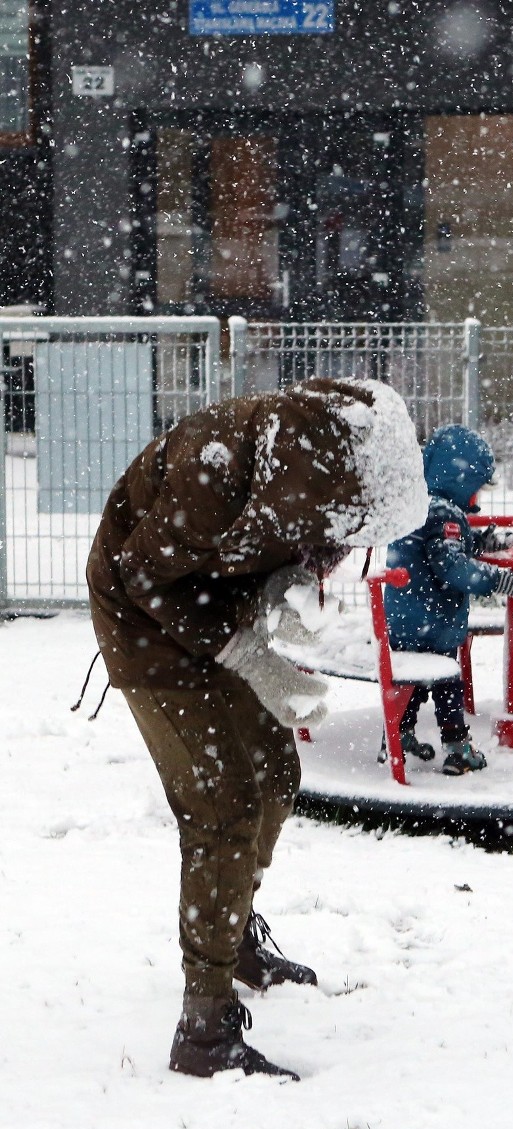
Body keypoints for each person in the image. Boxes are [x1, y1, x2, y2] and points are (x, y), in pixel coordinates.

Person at [86, 378, 427, 1078]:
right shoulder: (214, 467)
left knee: (276, 770)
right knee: (224, 806)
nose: (343, 546)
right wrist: (247, 654)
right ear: (323, 488)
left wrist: (278, 593)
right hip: (143, 624)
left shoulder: (302, 472)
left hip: (207, 604)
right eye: (346, 527)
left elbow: (269, 545)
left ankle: (234, 929)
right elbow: (145, 579)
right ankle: (204, 1028)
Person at [383, 424, 513, 775]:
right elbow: (451, 565)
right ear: (461, 480)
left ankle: (398, 734)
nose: (477, 495)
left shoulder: (419, 507)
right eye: (476, 486)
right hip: (433, 624)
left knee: (412, 680)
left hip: (403, 619)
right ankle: (457, 747)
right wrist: (497, 579)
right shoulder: (445, 514)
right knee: (448, 682)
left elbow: (445, 544)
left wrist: (485, 542)